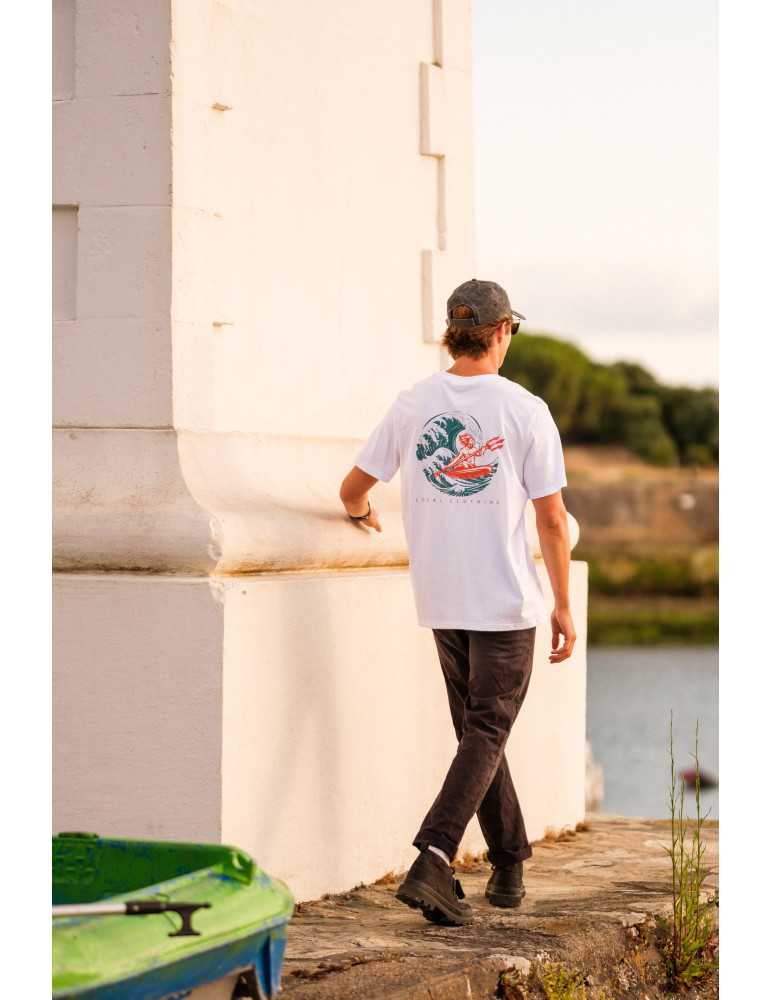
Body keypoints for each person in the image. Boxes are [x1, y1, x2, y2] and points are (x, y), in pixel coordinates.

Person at [338, 278, 576, 926]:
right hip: (501, 600)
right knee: (487, 730)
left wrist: (360, 513)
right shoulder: (524, 409)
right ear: (501, 332)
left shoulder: (412, 403)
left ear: (451, 332)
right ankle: (434, 858)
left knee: (477, 733)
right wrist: (561, 605)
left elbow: (352, 488)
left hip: (441, 598)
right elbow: (551, 521)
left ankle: (507, 863)